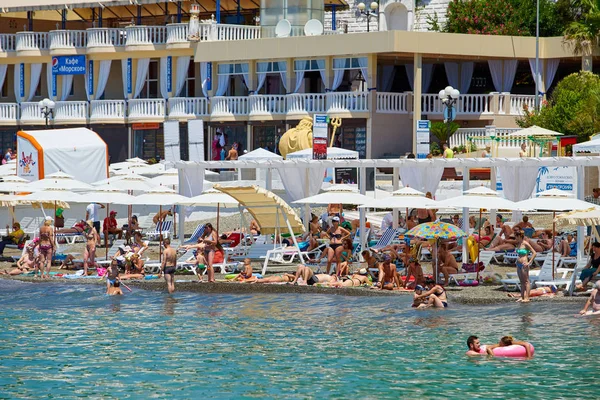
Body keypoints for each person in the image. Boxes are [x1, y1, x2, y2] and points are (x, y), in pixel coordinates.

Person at [514, 230, 537, 303]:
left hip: (524, 263)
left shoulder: (525, 243)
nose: (515, 238)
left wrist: (529, 262)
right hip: (518, 264)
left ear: (519, 236)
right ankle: (522, 296)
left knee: (526, 281)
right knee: (521, 281)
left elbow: (534, 253)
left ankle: (527, 297)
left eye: (516, 237)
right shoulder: (519, 244)